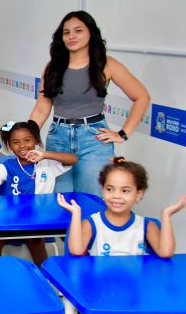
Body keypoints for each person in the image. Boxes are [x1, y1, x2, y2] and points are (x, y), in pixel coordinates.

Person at [57, 158, 186, 314]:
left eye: (125, 190)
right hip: (103, 299)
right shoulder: (92, 223)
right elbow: (75, 250)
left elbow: (166, 251)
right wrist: (75, 214)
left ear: (139, 194)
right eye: (110, 189)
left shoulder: (146, 225)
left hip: (139, 299)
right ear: (102, 190)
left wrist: (167, 215)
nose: (116, 196)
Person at [29, 11, 150, 196]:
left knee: (91, 198)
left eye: (78, 30)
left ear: (91, 33)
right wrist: (28, 135)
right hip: (58, 139)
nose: (71, 36)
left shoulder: (106, 64)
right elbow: (41, 108)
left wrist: (122, 134)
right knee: (58, 198)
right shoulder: (52, 66)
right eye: (66, 32)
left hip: (94, 140)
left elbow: (142, 97)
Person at [0, 120, 77, 265]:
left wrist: (44, 154)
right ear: (9, 146)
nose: (22, 146)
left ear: (35, 140)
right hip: (11, 219)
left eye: (27, 140)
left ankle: (43, 273)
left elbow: (73, 159)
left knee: (35, 240)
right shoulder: (8, 166)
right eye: (16, 142)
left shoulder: (46, 164)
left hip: (37, 220)